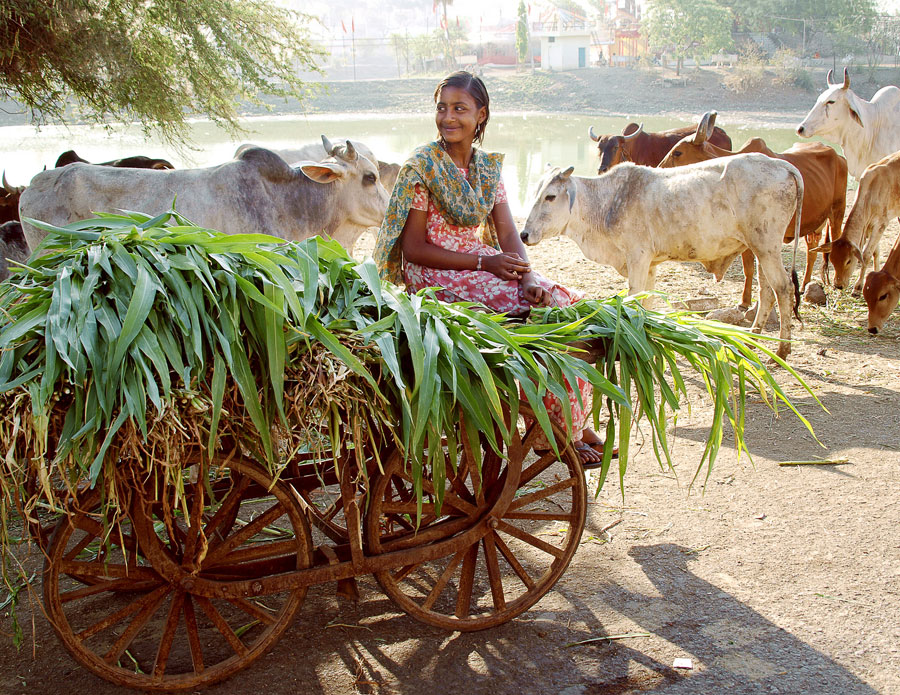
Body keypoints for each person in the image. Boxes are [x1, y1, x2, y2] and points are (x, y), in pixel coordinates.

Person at [373, 71, 609, 466]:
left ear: (480, 115)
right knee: (536, 316)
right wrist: (486, 262)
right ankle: (555, 430)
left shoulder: (487, 170)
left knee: (561, 303)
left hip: (481, 266)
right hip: (435, 275)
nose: (448, 117)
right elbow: (413, 249)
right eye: (442, 108)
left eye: (460, 109)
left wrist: (528, 274)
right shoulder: (422, 167)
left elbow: (507, 233)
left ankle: (566, 420)